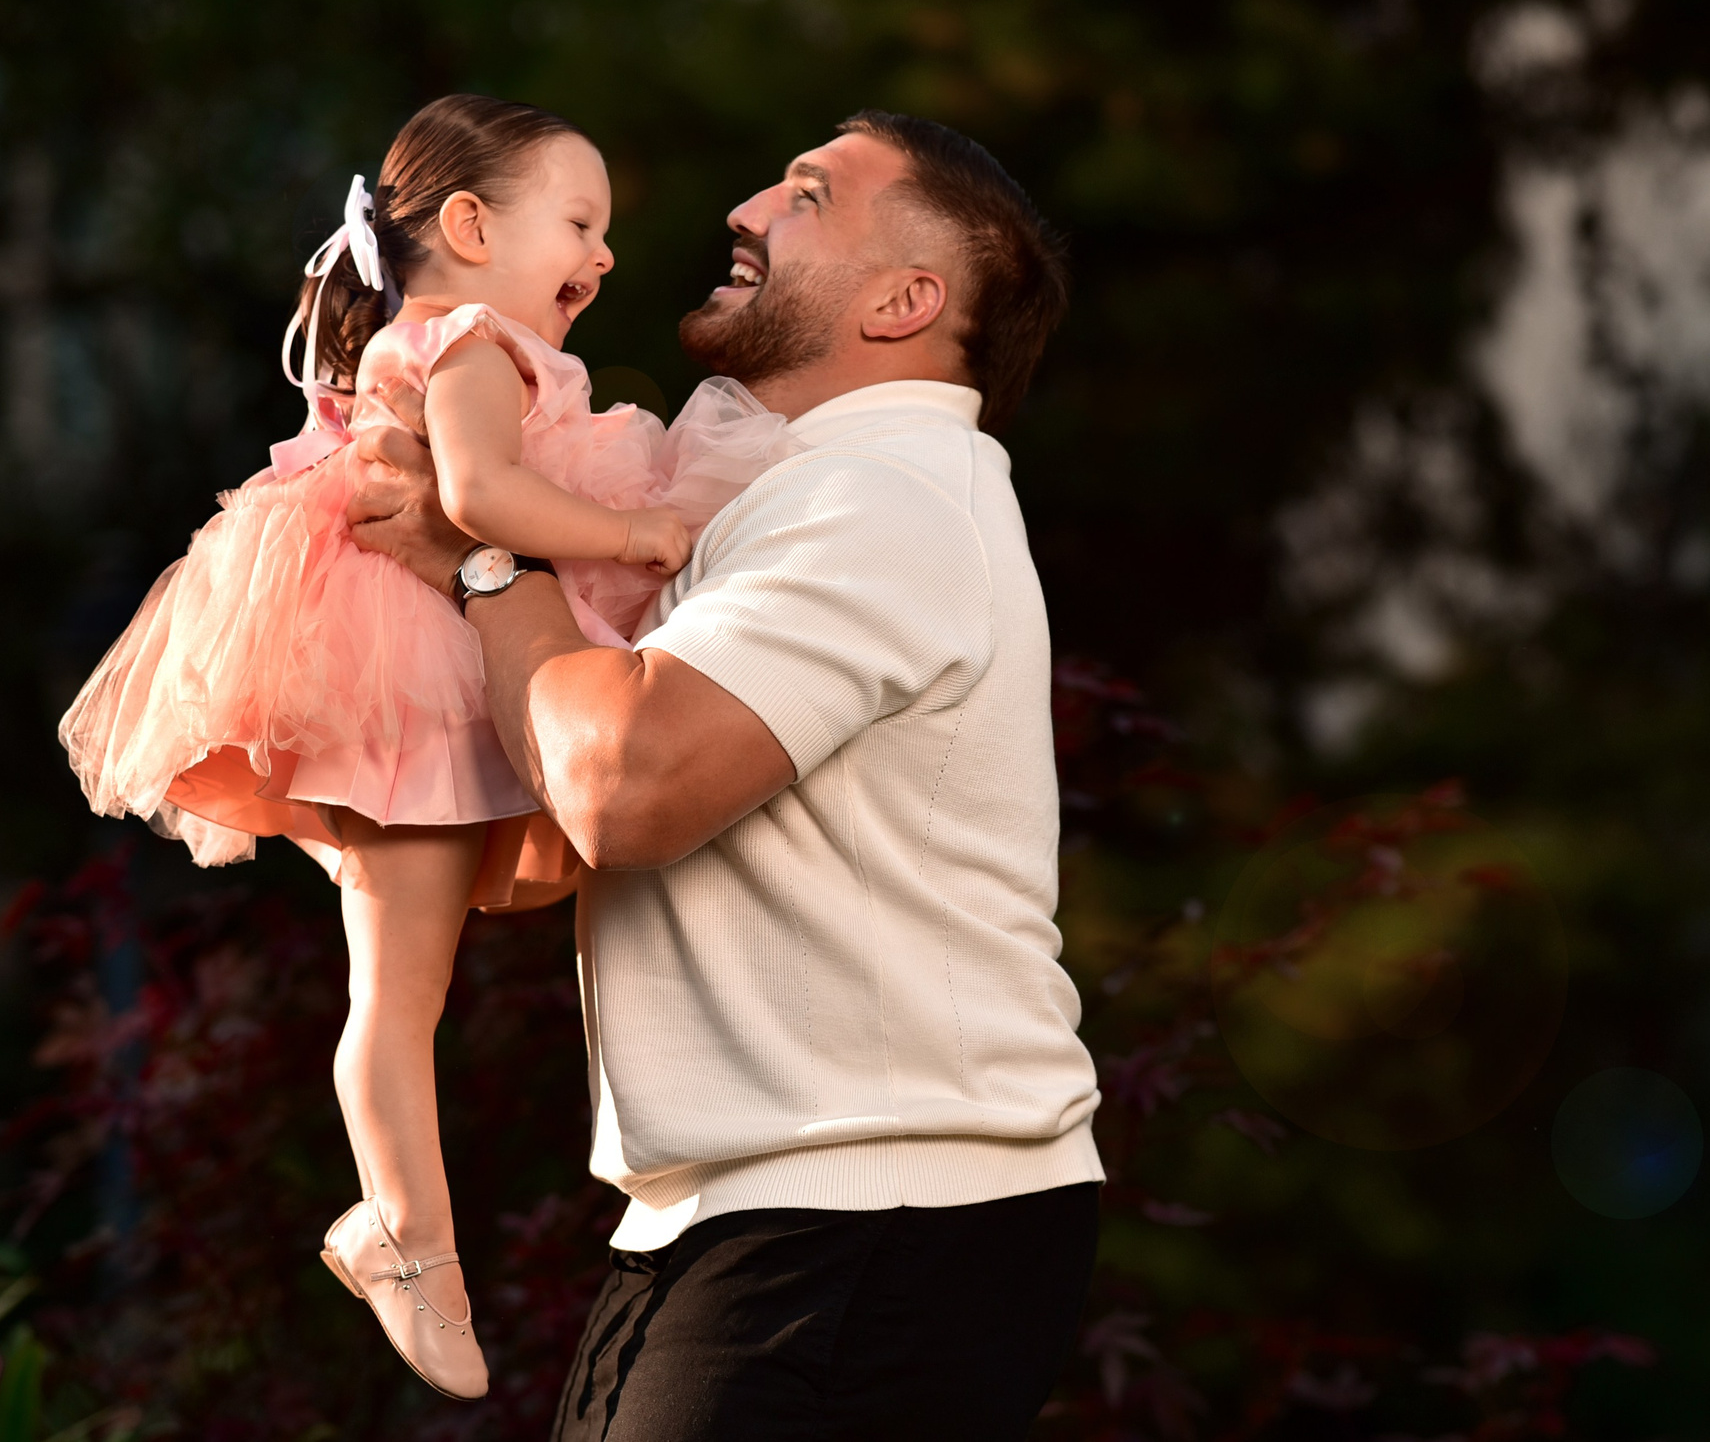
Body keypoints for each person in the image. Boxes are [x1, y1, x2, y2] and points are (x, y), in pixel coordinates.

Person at [348, 109, 1105, 1441]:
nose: (747, 207)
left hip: (867, 1218)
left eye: (806, 196)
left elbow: (622, 785)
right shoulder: (788, 492)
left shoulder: (881, 495)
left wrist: (482, 560)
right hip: (794, 1217)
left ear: (905, 300)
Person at [56, 93, 798, 1401]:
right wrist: (634, 538)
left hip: (409, 657)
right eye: (580, 220)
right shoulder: (466, 341)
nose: (606, 252)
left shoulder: (465, 343)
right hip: (407, 669)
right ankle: (408, 1239)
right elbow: (477, 500)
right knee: (398, 994)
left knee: (402, 985)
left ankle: (400, 1227)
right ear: (468, 224)